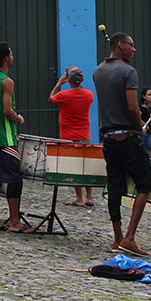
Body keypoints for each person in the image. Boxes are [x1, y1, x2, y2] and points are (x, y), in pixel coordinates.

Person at [93, 32, 151, 257]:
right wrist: (141, 126)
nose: (134, 49)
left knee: (115, 187)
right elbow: (131, 107)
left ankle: (117, 237)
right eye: (131, 45)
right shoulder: (129, 71)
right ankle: (130, 238)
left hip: (108, 140)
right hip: (128, 138)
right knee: (146, 184)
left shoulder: (98, 70)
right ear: (120, 45)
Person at [0, 42, 33, 233]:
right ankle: (14, 222)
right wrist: (18, 118)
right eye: (11, 53)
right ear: (6, 58)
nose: (13, 56)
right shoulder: (6, 81)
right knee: (14, 180)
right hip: (5, 138)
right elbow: (7, 111)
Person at [48, 65, 95, 207]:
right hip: (85, 134)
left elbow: (51, 99)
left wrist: (58, 84)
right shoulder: (89, 94)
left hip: (68, 135)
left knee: (74, 167)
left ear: (69, 80)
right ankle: (89, 197)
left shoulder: (64, 95)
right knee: (85, 166)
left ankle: (79, 198)